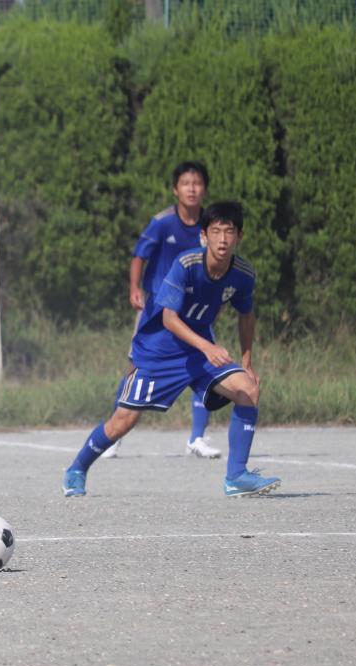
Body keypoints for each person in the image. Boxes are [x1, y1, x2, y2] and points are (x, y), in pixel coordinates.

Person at [62, 201, 280, 498]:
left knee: (248, 389)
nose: (223, 239)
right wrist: (207, 346)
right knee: (123, 421)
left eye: (229, 232)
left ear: (240, 236)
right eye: (216, 231)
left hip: (199, 354)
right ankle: (77, 469)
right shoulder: (186, 264)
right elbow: (169, 319)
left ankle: (237, 476)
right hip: (160, 352)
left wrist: (247, 361)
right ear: (204, 236)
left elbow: (246, 314)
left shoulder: (243, 274)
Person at [106, 161, 221, 460]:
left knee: (205, 364)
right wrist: (135, 287)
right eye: (186, 183)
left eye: (197, 183)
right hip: (157, 309)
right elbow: (139, 256)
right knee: (136, 368)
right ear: (175, 189)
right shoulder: (162, 223)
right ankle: (113, 435)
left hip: (194, 310)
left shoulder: (211, 226)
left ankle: (197, 438)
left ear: (205, 189)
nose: (192, 189)